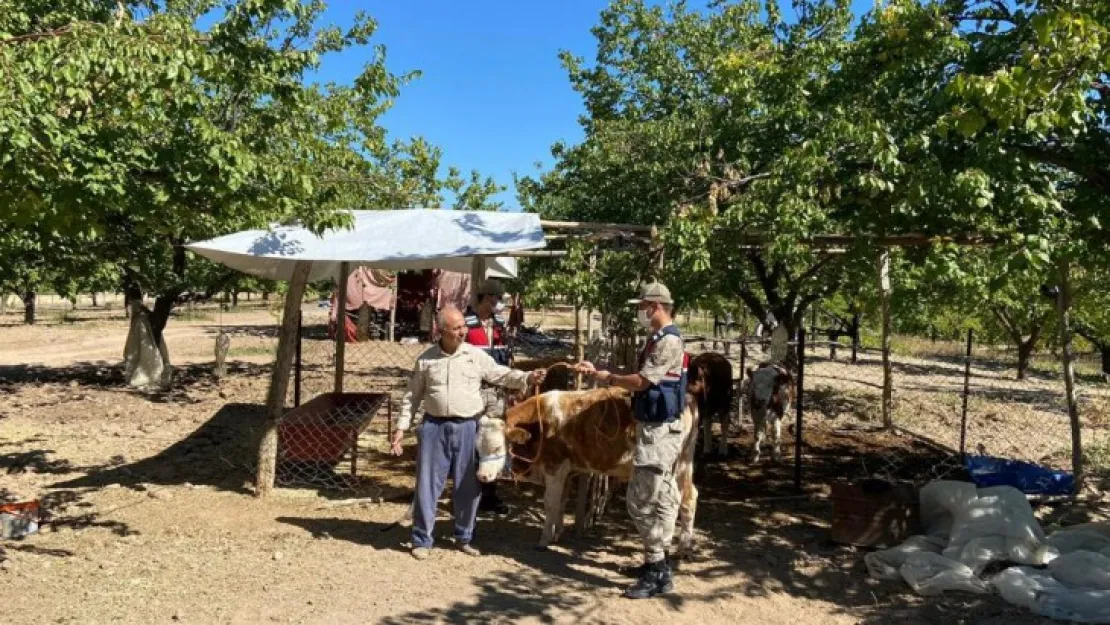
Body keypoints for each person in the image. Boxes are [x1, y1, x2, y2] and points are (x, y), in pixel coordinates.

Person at [391, 305, 545, 561]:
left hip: (468, 427)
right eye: (456, 328)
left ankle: (464, 536)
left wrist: (527, 378)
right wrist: (401, 427)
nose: (463, 332)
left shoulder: (475, 356)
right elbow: (412, 396)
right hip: (434, 427)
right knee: (428, 484)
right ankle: (421, 539)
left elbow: (501, 374)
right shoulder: (427, 360)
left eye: (464, 326)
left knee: (468, 484)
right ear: (441, 331)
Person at [576, 282, 688, 599]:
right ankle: (658, 565)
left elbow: (642, 381)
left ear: (655, 306)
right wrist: (602, 371)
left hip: (659, 434)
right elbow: (638, 374)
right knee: (664, 499)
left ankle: (656, 570)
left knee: (641, 502)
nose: (640, 312)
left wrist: (609, 379)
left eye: (642, 306)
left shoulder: (668, 342)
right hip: (658, 429)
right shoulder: (658, 340)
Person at [464, 279, 512, 515]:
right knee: (471, 441)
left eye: (499, 298)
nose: (497, 302)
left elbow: (507, 358)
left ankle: (490, 495)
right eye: (493, 298)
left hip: (497, 391)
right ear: (483, 298)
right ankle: (468, 494)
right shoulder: (465, 324)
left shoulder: (500, 325)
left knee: (493, 442)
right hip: (473, 390)